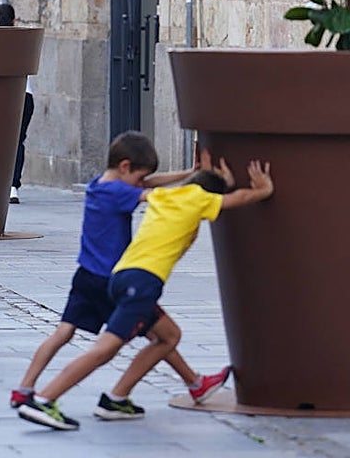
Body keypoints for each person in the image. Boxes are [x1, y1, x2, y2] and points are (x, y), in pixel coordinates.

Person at [17, 152, 274, 431]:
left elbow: (154, 184)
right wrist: (263, 188)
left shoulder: (163, 197)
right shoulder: (200, 199)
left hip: (120, 276)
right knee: (105, 349)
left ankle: (118, 398)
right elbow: (237, 199)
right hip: (142, 282)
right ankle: (44, 399)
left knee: (168, 335)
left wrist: (201, 176)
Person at [0, 3, 34, 204]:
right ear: (15, 20)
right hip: (25, 95)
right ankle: (13, 186)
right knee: (18, 142)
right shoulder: (23, 41)